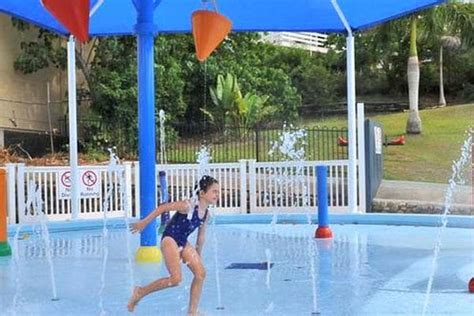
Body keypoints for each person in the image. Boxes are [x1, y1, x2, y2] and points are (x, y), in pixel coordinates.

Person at [127, 175, 219, 315]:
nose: (217, 194)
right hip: (170, 239)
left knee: (200, 273)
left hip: (182, 240)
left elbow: (201, 237)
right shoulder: (188, 205)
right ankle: (140, 291)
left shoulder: (206, 214)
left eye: (218, 191)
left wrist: (197, 257)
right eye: (214, 191)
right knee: (176, 279)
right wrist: (144, 223)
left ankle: (192, 312)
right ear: (202, 193)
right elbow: (163, 208)